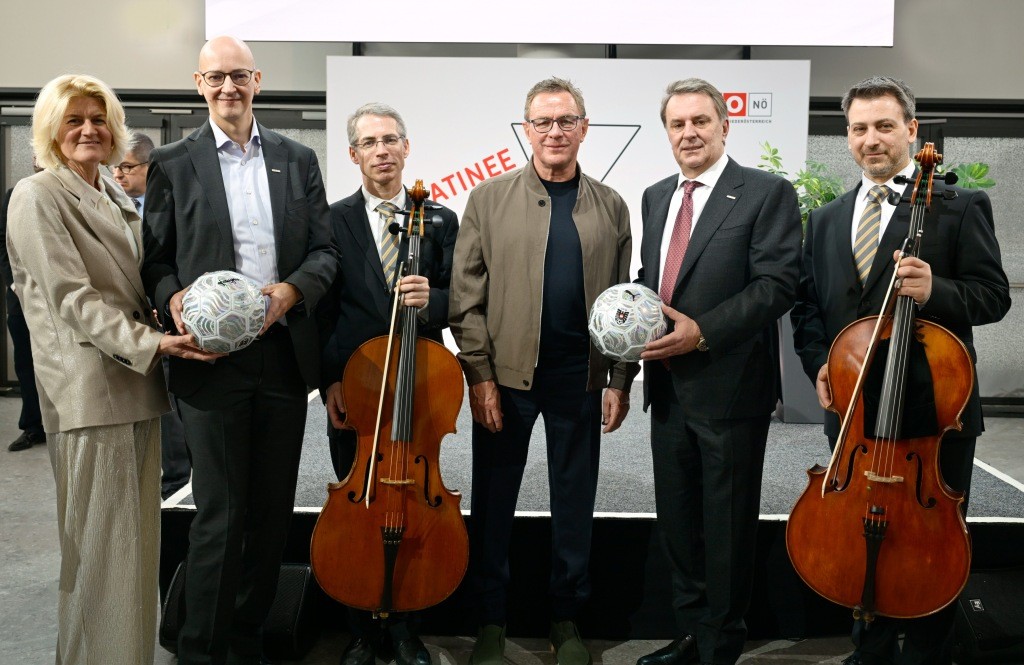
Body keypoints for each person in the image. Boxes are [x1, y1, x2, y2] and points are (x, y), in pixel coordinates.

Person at [790, 75, 1010, 665]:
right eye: (859, 128)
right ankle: (870, 649)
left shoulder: (959, 206)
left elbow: (993, 297)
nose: (872, 140)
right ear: (847, 136)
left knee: (928, 552)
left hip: (934, 411)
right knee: (859, 542)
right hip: (856, 413)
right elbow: (808, 307)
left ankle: (931, 653)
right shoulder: (830, 217)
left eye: (885, 126)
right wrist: (818, 363)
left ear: (911, 130)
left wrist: (937, 289)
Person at [6, 73, 220, 665]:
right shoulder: (38, 196)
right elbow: (71, 299)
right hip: (89, 395)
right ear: (50, 129)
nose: (88, 130)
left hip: (134, 389)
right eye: (73, 120)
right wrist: (155, 344)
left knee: (131, 554)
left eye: (98, 119)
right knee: (99, 555)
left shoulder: (112, 191)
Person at [141, 36, 337, 664]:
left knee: (272, 511)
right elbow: (156, 261)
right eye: (216, 77)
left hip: (283, 358)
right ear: (199, 84)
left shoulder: (296, 158)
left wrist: (290, 292)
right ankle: (202, 647)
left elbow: (324, 252)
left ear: (258, 79)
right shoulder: (172, 161)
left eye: (239, 76)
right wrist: (171, 297)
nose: (229, 88)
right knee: (221, 513)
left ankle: (248, 638)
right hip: (210, 361)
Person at [449, 77, 636, 665]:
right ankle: (490, 620)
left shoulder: (610, 205)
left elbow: (622, 308)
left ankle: (567, 617)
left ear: (583, 128)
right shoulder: (487, 199)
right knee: (494, 500)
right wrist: (478, 375)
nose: (554, 132)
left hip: (578, 379)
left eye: (566, 121)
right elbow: (465, 297)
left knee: (575, 502)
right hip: (504, 379)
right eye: (543, 122)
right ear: (526, 130)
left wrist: (618, 379)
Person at [634, 78, 802, 665]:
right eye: (677, 124)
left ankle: (721, 643)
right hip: (667, 389)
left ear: (725, 125)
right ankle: (689, 633)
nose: (689, 133)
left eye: (700, 121)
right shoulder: (656, 196)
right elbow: (653, 280)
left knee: (727, 525)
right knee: (678, 520)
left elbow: (777, 284)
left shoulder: (764, 193)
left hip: (730, 388)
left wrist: (701, 332)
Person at [317, 102, 459, 665]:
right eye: (370, 142)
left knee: (415, 505)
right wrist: (328, 380)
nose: (382, 150)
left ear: (406, 148)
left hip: (420, 383)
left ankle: (405, 624)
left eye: (391, 140)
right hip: (356, 383)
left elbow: (461, 297)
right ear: (353, 154)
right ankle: (362, 626)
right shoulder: (330, 221)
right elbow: (321, 310)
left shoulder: (441, 219)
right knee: (358, 507)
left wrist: (436, 301)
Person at [114, 130, 192, 498]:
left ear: (150, 166)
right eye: (115, 167)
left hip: (176, 319)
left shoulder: (174, 204)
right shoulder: (112, 209)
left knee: (180, 404)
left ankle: (181, 481)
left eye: (127, 167)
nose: (118, 174)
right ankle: (174, 482)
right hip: (135, 328)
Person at [1, 159, 45, 452]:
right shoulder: (16, 194)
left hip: (65, 299)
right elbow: (2, 244)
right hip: (22, 298)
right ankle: (32, 427)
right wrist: (15, 285)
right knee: (26, 364)